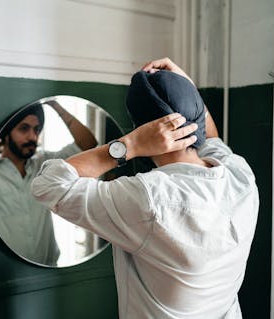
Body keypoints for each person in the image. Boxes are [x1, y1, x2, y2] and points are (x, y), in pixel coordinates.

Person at [31, 58, 259, 318]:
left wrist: (130, 145)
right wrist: (185, 89)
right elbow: (213, 139)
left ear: (141, 129)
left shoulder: (148, 198)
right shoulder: (240, 176)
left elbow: (48, 185)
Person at [0, 100, 97, 265]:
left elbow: (88, 144)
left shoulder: (45, 163)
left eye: (37, 130)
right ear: (6, 134)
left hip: (48, 267)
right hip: (6, 269)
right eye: (24, 129)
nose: (33, 137)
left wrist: (56, 106)